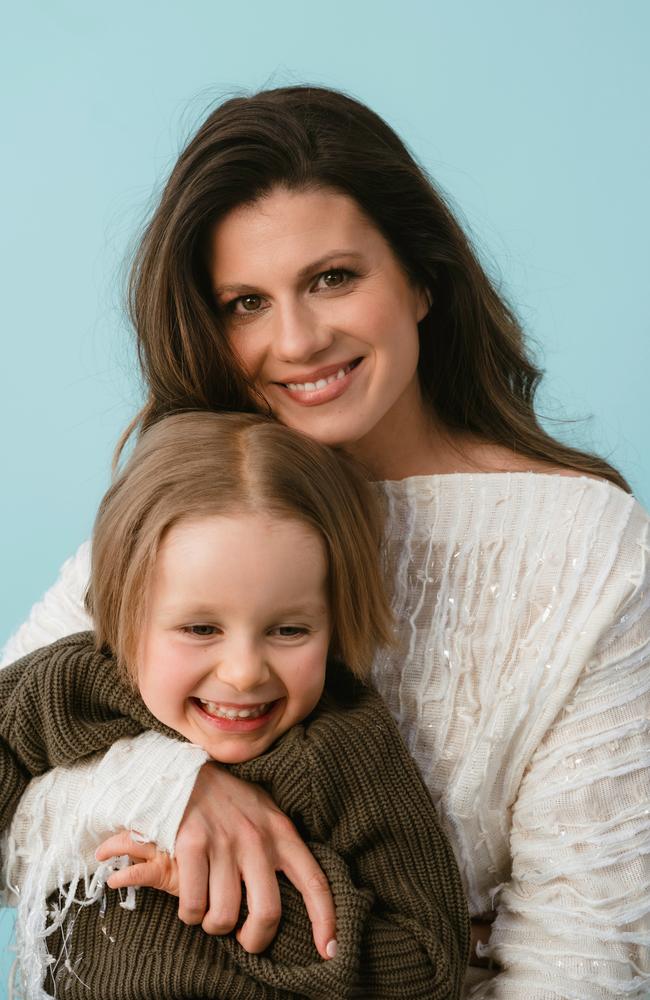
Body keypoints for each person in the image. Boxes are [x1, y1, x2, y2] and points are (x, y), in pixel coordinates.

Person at [2, 85, 649, 999]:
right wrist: (172, 792)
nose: (298, 340)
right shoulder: (189, 505)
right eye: (244, 302)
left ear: (423, 279)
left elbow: (584, 959)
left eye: (333, 279)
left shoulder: (591, 550)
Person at [0, 410, 469, 999]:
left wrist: (241, 893)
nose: (245, 674)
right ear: (124, 616)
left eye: (290, 630)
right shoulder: (75, 685)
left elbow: (429, 969)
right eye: (200, 629)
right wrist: (148, 791)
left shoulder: (342, 747)